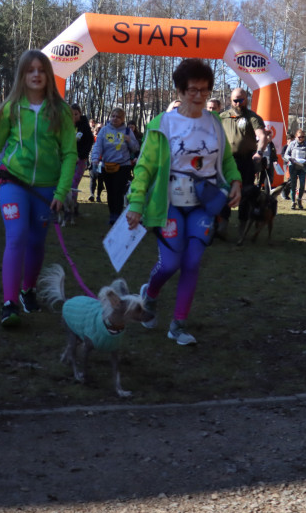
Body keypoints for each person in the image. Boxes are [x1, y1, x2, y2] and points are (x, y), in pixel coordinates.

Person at [126, 58, 242, 346]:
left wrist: (236, 181)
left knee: (191, 262)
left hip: (204, 203)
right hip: (169, 204)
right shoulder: (162, 123)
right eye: (193, 90)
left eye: (205, 90)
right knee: (169, 264)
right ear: (179, 90)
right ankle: (149, 296)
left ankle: (178, 325)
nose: (200, 96)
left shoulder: (214, 122)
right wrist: (136, 203)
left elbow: (226, 160)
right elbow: (145, 168)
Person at [0, 50, 77, 327]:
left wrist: (62, 192)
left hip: (46, 189)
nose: (36, 74)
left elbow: (69, 154)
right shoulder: (11, 108)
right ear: (23, 75)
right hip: (13, 182)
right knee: (16, 237)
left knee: (36, 243)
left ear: (48, 75)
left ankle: (27, 289)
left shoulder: (61, 111)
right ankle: (9, 304)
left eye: (41, 69)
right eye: (31, 70)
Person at [218, 88, 266, 231]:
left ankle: (243, 225)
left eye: (241, 100)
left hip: (246, 161)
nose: (238, 103)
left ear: (246, 100)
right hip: (227, 160)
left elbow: (262, 137)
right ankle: (222, 224)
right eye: (235, 100)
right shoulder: (223, 117)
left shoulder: (253, 117)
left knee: (246, 192)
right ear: (230, 100)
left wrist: (259, 152)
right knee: (225, 191)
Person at [90, 107, 140, 225]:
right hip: (107, 166)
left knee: (118, 191)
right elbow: (98, 146)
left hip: (123, 166)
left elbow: (136, 147)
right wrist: (95, 159)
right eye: (113, 116)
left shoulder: (128, 131)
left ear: (123, 119)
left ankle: (117, 215)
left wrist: (129, 141)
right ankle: (112, 213)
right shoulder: (104, 130)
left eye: (118, 117)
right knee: (110, 191)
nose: (115, 119)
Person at [282, 129, 306, 208]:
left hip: (303, 167)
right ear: (296, 136)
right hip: (293, 166)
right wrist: (291, 159)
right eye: (300, 137)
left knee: (302, 185)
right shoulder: (292, 144)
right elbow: (286, 155)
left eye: (303, 137)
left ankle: (299, 199)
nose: (301, 138)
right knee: (293, 185)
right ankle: (293, 202)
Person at [71, 104, 94, 213]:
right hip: (68, 160)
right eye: (71, 114)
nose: (74, 116)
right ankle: (67, 206)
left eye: (76, 114)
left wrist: (80, 156)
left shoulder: (84, 127)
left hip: (80, 160)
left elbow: (89, 143)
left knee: (73, 184)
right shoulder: (67, 126)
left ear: (80, 113)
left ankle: (73, 207)